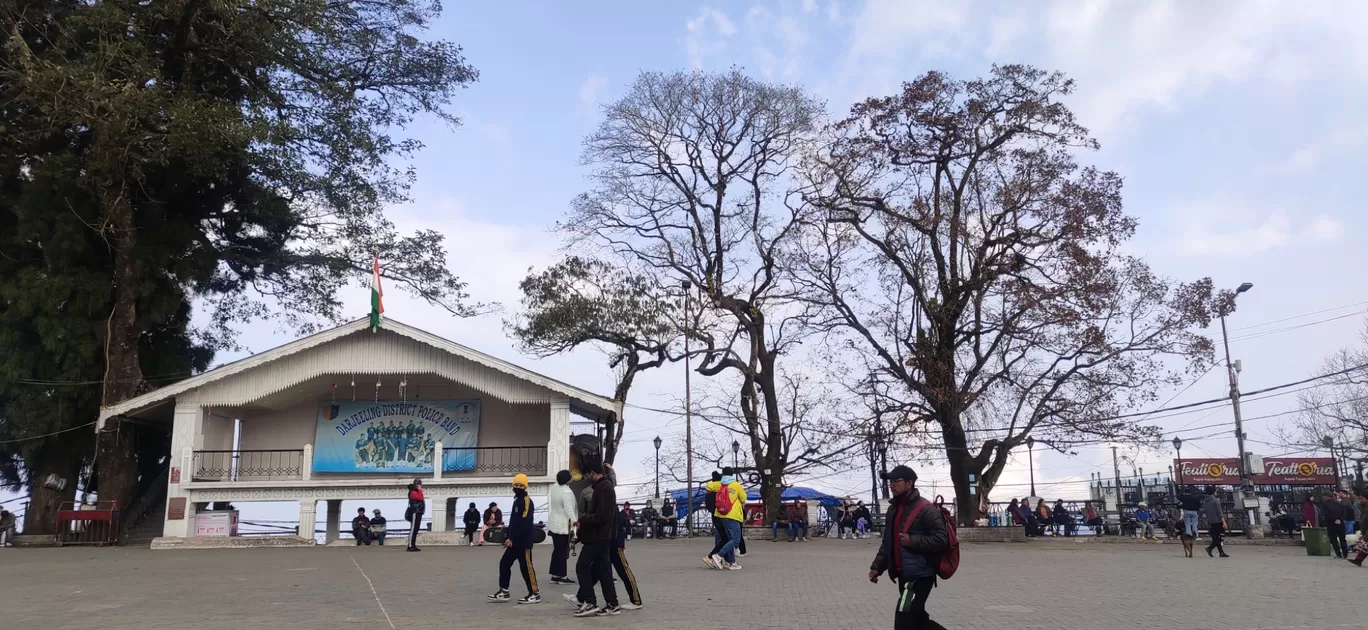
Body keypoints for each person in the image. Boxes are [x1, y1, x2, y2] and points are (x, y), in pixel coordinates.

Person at [868, 465, 948, 630]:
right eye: (890, 482)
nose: (891, 485)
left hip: (920, 575)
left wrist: (913, 541)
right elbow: (887, 542)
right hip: (903, 574)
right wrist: (877, 567)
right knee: (917, 619)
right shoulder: (893, 509)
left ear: (909, 483)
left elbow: (941, 539)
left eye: (896, 481)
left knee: (904, 618)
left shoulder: (926, 509)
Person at [568, 456, 621, 617]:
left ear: (592, 473)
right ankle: (612, 603)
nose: (587, 477)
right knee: (604, 571)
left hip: (598, 536)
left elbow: (602, 516)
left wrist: (582, 519)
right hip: (603, 536)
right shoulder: (604, 486)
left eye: (588, 474)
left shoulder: (603, 488)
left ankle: (590, 602)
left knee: (582, 566)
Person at [489, 473, 541, 604]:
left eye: (520, 485)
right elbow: (514, 522)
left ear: (525, 486)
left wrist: (512, 537)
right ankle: (504, 591)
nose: (517, 487)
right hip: (513, 541)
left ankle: (534, 593)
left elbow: (523, 523)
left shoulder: (526, 501)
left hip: (523, 541)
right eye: (516, 485)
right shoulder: (517, 501)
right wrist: (508, 536)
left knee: (526, 568)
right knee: (504, 563)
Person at [705, 467, 747, 570]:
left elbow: (708, 486)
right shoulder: (736, 485)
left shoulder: (720, 484)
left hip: (720, 514)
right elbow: (744, 498)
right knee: (735, 540)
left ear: (723, 474)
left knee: (728, 539)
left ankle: (732, 563)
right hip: (733, 515)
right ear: (732, 474)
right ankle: (718, 556)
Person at [610, 480, 643, 610]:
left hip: (616, 543)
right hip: (609, 542)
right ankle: (582, 596)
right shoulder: (609, 502)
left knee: (624, 571)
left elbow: (619, 526)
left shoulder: (610, 504)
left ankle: (636, 600)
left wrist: (621, 542)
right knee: (596, 571)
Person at [547, 470, 578, 585]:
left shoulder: (555, 487)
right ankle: (562, 576)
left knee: (556, 550)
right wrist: (575, 520)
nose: (572, 477)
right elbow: (569, 509)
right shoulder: (566, 492)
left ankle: (555, 575)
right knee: (562, 551)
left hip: (554, 523)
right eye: (570, 476)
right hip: (562, 525)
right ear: (567, 479)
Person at [1203, 486, 1228, 558]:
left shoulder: (1205, 501)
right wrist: (1224, 521)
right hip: (1218, 521)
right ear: (1213, 492)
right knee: (1220, 537)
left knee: (1216, 537)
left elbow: (1205, 511)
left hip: (1211, 520)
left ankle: (1221, 552)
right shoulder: (1215, 500)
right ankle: (1210, 548)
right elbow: (1219, 512)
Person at [1323, 490, 1348, 559]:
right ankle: (1345, 554)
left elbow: (1326, 514)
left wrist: (1333, 520)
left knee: (1333, 539)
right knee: (1342, 538)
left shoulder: (1325, 504)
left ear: (1326, 497)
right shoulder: (1339, 503)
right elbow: (1344, 513)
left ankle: (1338, 554)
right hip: (1340, 522)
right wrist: (1339, 519)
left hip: (1331, 523)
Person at [405, 479, 425, 552]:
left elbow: (421, 498)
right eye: (419, 484)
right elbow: (420, 498)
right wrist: (420, 490)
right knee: (413, 529)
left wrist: (420, 491)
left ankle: (413, 545)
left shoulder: (416, 491)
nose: (420, 485)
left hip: (418, 512)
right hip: (415, 512)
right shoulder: (413, 492)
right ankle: (410, 545)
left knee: (416, 529)